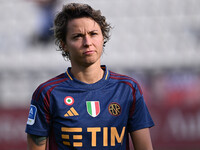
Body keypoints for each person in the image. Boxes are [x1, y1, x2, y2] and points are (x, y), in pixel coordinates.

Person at [25, 3, 154, 150]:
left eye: (93, 34)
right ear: (64, 44)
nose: (87, 43)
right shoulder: (47, 93)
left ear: (103, 37)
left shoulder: (127, 89)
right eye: (78, 36)